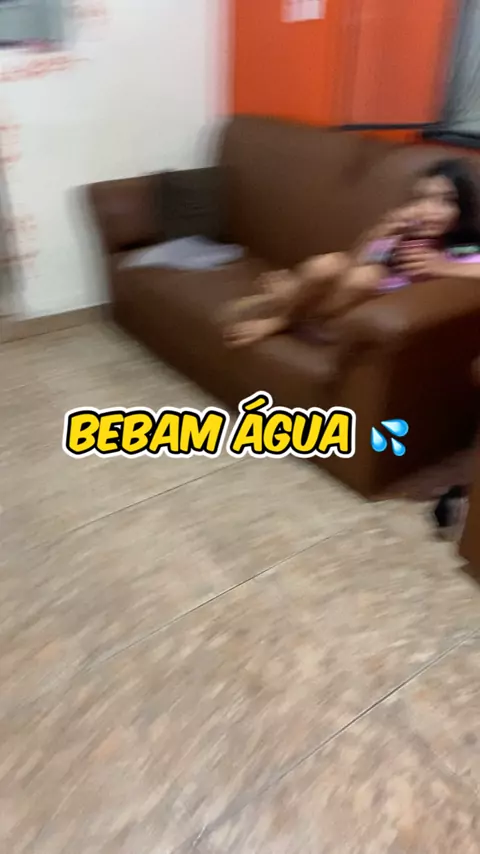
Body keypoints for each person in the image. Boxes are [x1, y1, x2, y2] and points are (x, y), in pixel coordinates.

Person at [220, 158, 480, 348]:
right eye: (420, 199)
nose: (428, 210)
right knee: (330, 263)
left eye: (445, 201)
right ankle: (292, 301)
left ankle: (284, 312)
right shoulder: (405, 233)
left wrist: (443, 266)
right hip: (339, 298)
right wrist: (380, 232)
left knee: (366, 277)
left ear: (463, 208)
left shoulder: (462, 249)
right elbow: (355, 260)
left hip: (357, 318)